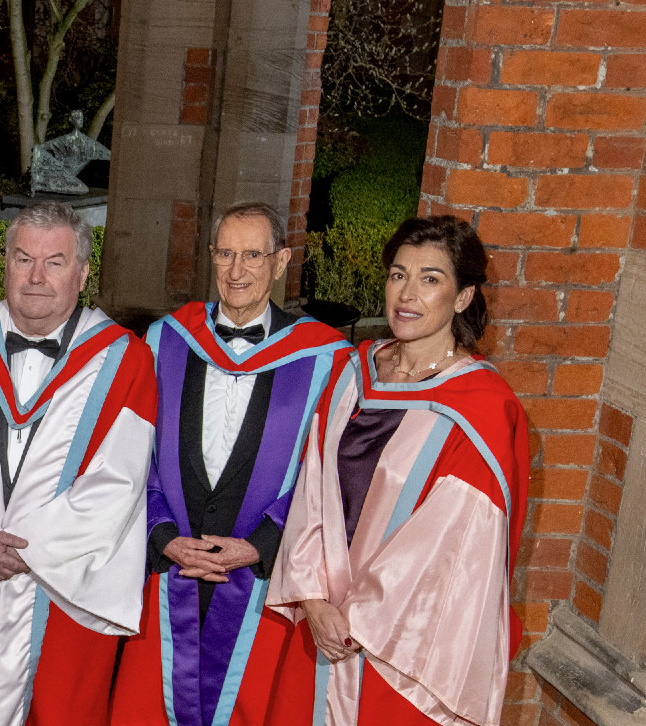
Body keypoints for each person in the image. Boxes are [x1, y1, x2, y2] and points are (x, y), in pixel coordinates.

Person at [266, 216, 529, 725]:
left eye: (430, 279)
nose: (407, 294)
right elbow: (313, 489)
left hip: (402, 654)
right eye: (397, 275)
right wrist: (314, 599)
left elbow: (453, 550)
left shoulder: (482, 407)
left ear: (463, 296)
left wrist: (356, 621)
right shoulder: (355, 370)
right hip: (319, 629)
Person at [109, 203, 350, 725]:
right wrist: (162, 535)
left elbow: (325, 476)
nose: (235, 271)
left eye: (252, 255)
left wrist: (260, 546)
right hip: (167, 569)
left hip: (263, 583)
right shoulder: (165, 339)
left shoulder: (325, 358)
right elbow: (131, 453)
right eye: (224, 254)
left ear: (282, 262)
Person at [0, 201, 156, 725]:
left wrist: (32, 551)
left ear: (84, 271)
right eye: (23, 259)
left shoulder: (125, 358)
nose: (36, 277)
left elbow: (121, 479)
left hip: (66, 583)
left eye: (55, 262)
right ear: (4, 262)